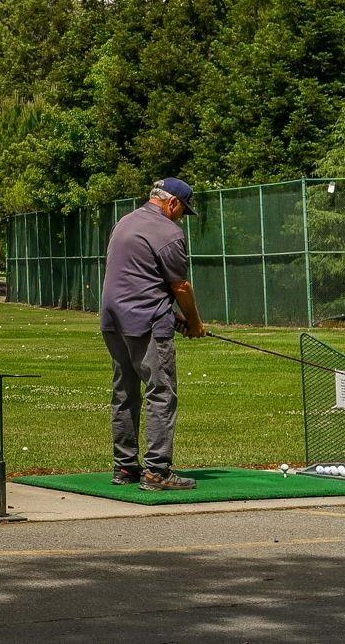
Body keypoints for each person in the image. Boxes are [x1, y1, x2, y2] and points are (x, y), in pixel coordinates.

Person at [99, 178, 207, 491]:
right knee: (161, 393)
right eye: (183, 211)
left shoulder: (124, 223)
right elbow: (180, 286)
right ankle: (157, 472)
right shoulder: (169, 232)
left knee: (125, 393)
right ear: (172, 203)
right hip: (145, 324)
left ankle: (125, 468)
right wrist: (194, 323)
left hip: (113, 322)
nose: (181, 218)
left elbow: (136, 279)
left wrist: (170, 316)